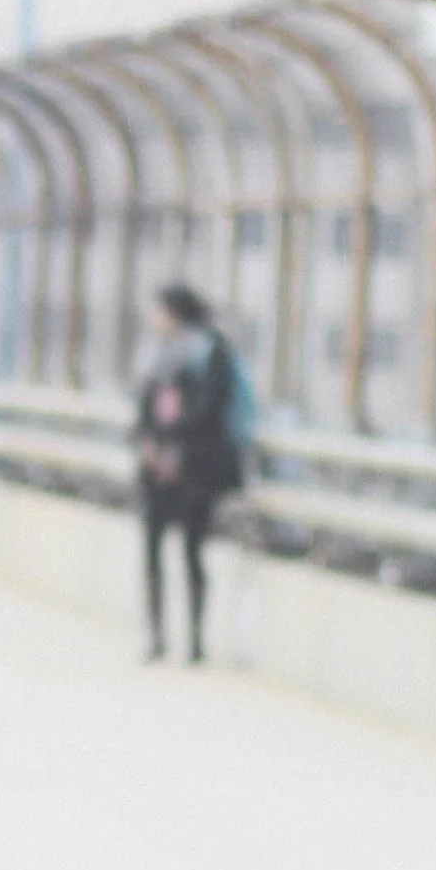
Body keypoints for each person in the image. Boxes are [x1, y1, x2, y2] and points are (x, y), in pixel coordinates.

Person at [133, 283, 245, 664]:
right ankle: (156, 636)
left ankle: (195, 640)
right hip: (156, 470)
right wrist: (147, 442)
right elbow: (143, 408)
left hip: (196, 469)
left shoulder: (211, 353)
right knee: (152, 551)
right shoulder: (155, 355)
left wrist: (168, 437)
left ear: (174, 313)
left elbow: (211, 411)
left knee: (192, 552)